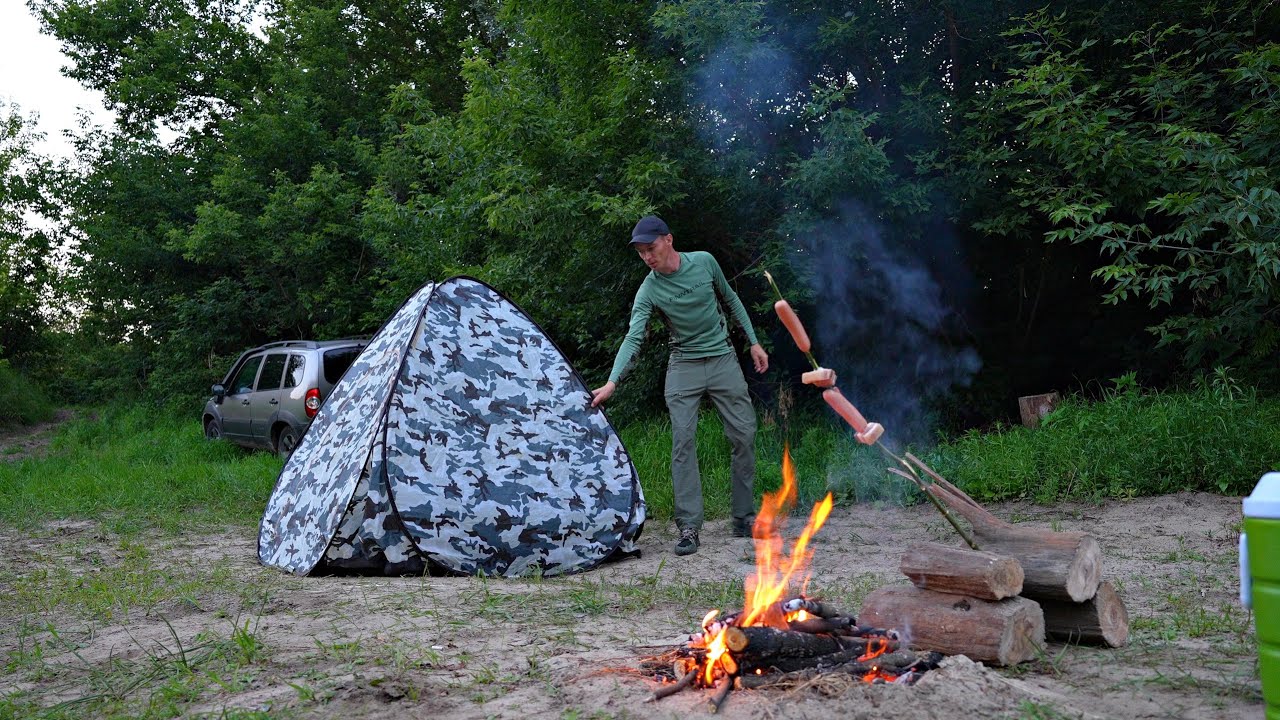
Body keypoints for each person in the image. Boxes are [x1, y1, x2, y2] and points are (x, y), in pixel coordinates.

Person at [591, 215, 769, 556]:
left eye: (651, 248)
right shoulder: (649, 288)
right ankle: (689, 526)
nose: (647, 256)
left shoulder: (704, 262)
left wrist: (754, 342)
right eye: (641, 252)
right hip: (683, 365)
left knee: (744, 435)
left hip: (722, 359)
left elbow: (731, 300)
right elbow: (634, 337)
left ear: (668, 240)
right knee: (683, 442)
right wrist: (613, 382)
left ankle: (744, 518)